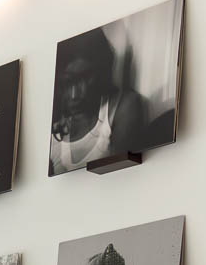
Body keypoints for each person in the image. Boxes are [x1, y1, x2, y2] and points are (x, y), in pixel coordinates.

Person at [49, 26, 147, 175]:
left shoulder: (124, 106)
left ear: (102, 71)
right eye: (68, 82)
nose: (75, 94)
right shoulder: (55, 125)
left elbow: (122, 177)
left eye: (85, 78)